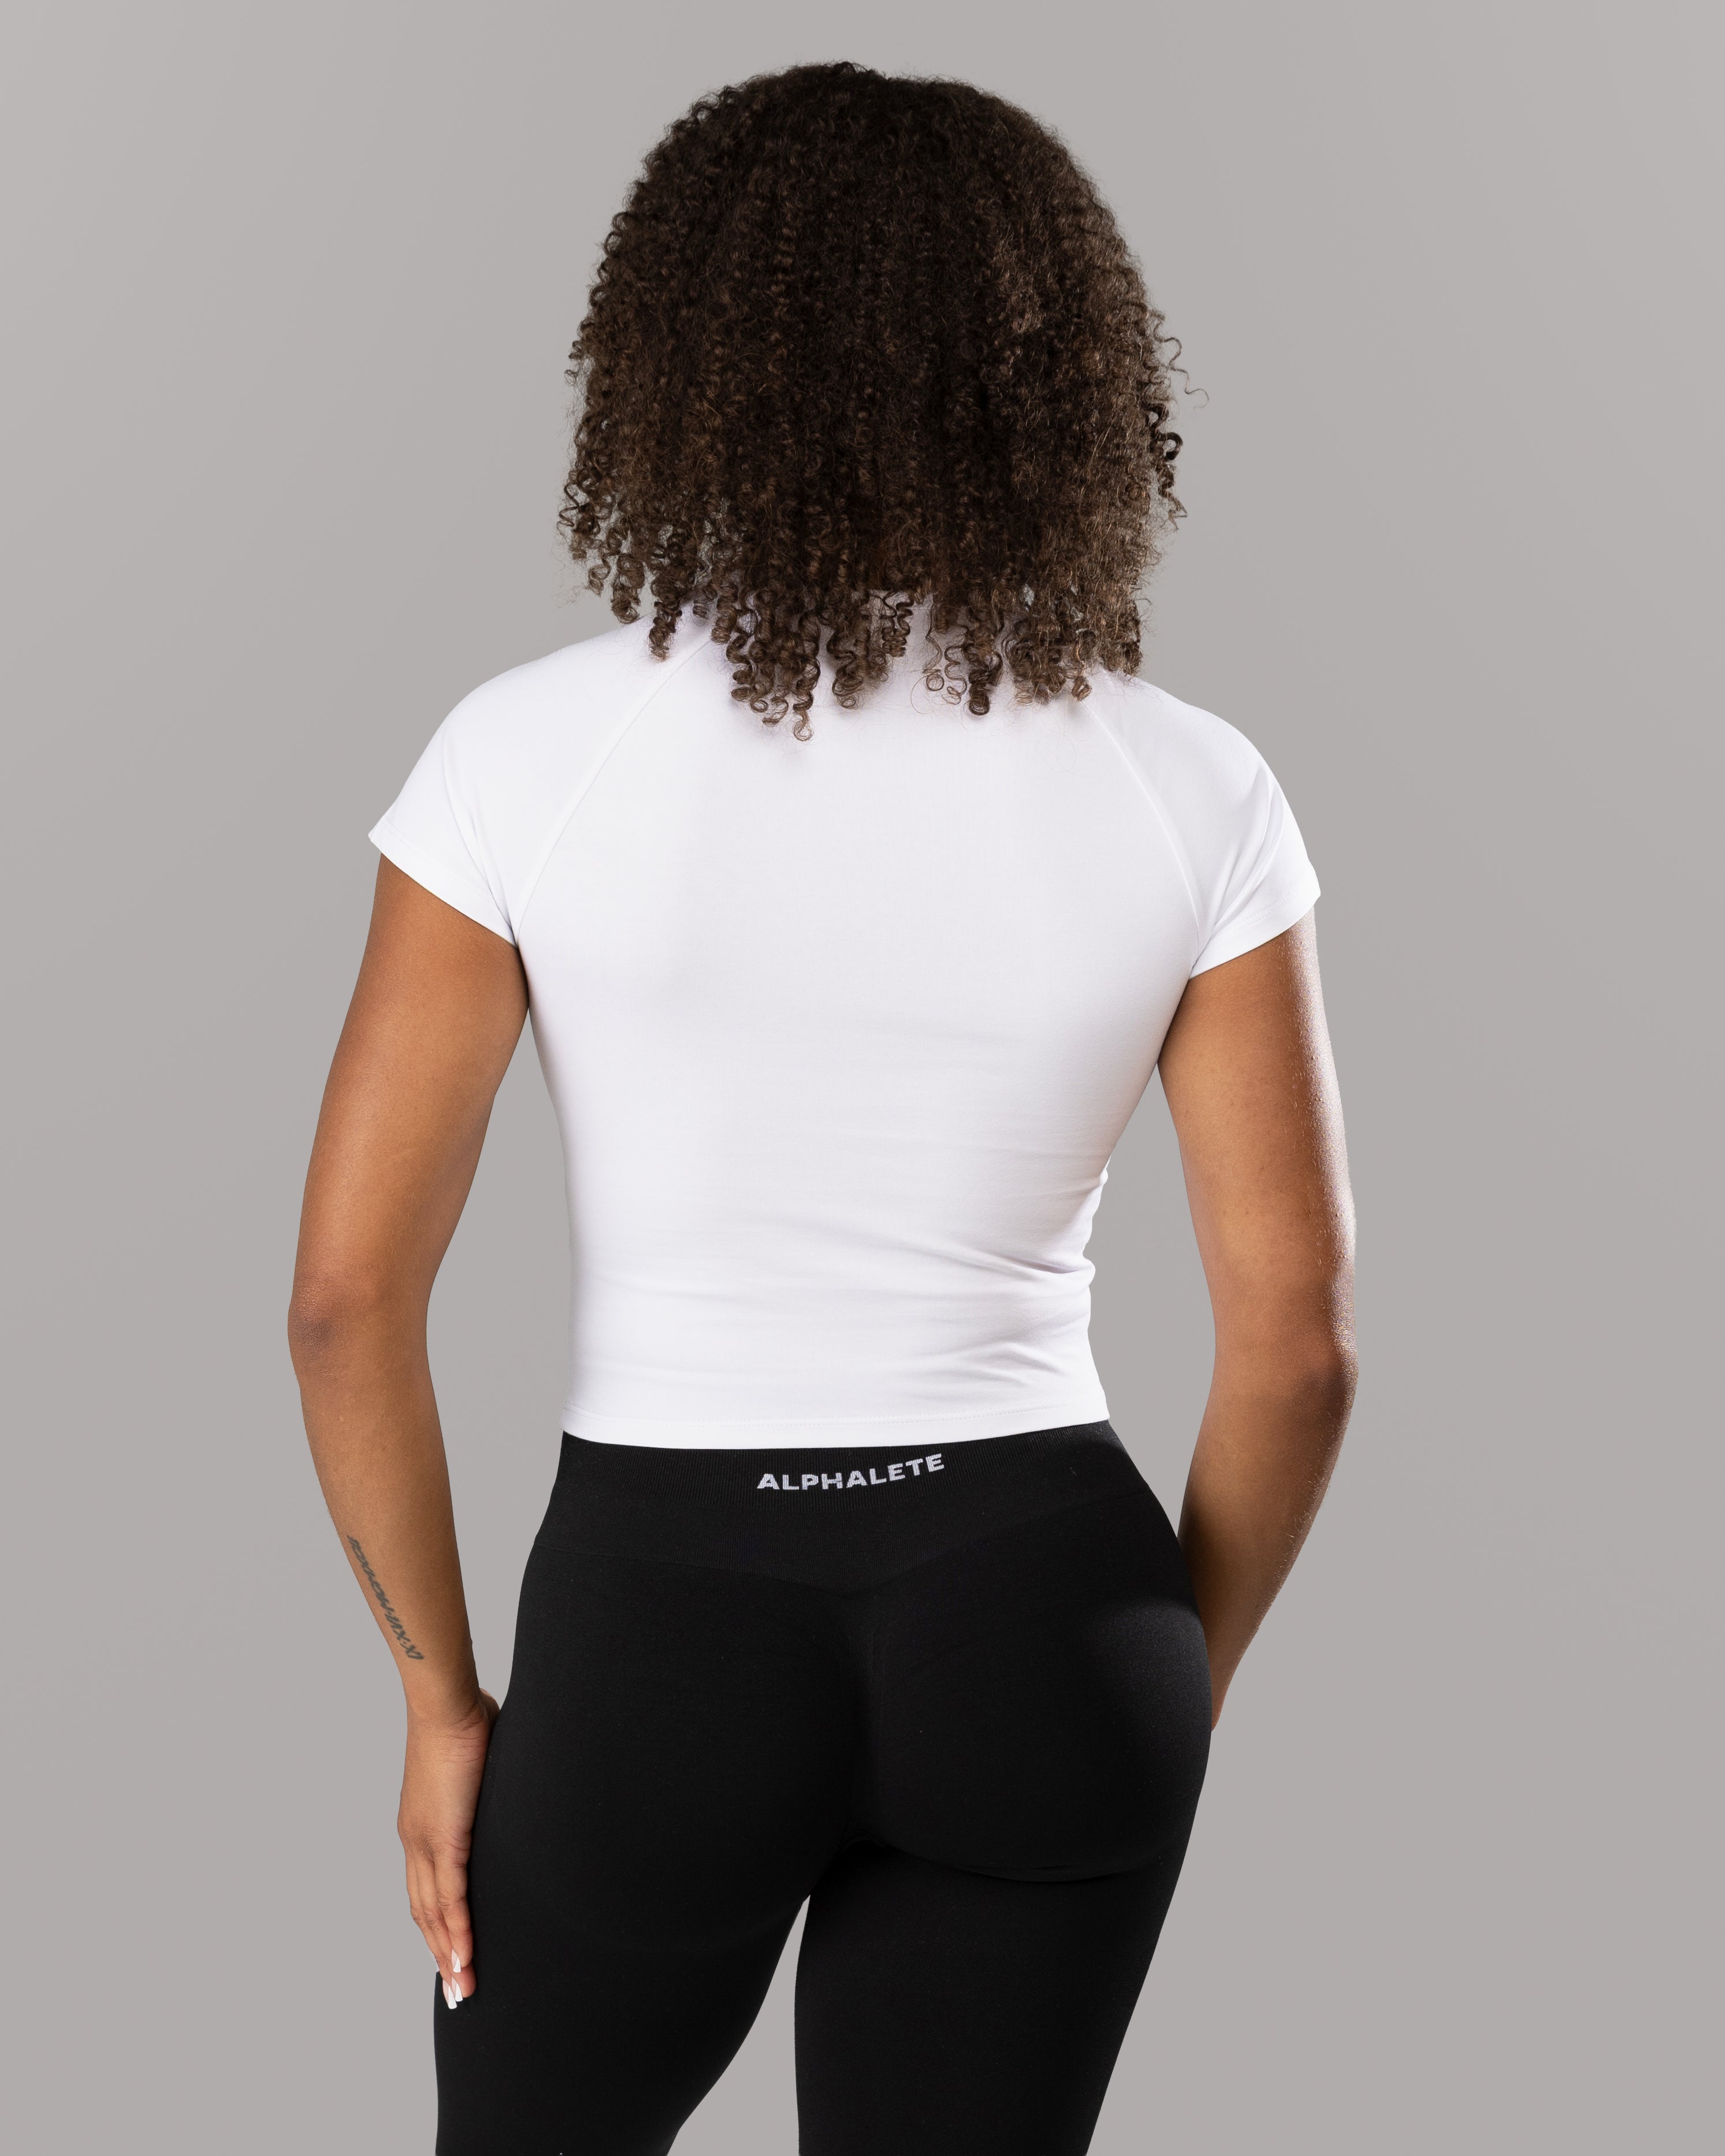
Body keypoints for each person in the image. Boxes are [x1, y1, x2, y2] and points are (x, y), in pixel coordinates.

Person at [290, 61, 1356, 2156]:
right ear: (1055, 375)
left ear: (678, 361)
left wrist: (437, 1700)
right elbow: (1299, 1346)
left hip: (658, 1628)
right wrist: (1157, 1666)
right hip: (1048, 1606)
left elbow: (344, 1302)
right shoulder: (1189, 780)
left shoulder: (526, 759)